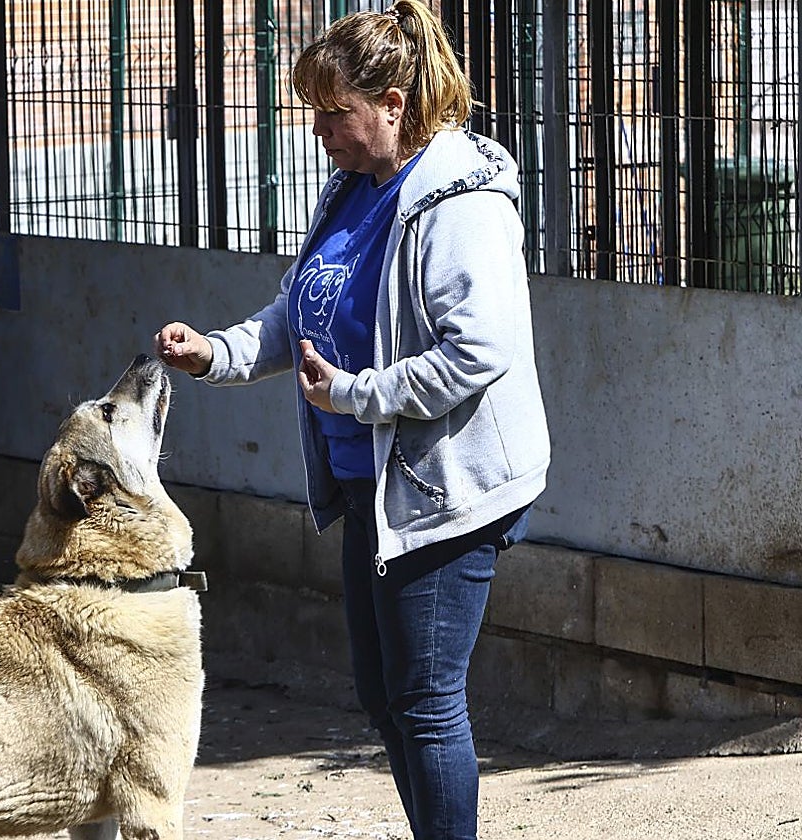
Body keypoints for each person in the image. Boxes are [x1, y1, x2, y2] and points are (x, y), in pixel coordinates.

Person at [154, 2, 550, 839]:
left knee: (426, 701)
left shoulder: (463, 205)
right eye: (315, 112)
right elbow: (302, 311)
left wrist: (355, 395)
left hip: (443, 491)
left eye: (337, 112)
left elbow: (478, 353)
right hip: (368, 486)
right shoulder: (353, 189)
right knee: (385, 698)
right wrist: (216, 354)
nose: (320, 130)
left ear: (396, 103)